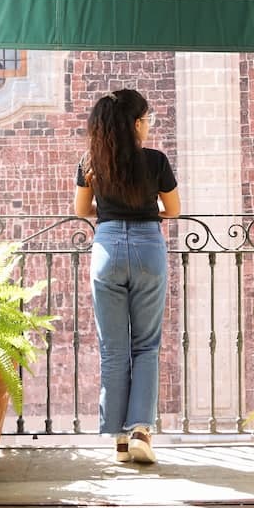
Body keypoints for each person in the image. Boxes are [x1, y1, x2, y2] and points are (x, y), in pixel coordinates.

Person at [74, 88, 181, 464]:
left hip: (107, 250)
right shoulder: (155, 160)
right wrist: (146, 213)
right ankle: (140, 431)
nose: (148, 126)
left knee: (114, 349)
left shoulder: (91, 161)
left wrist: (109, 212)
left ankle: (119, 440)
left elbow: (81, 210)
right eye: (147, 119)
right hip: (148, 248)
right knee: (146, 345)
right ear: (136, 123)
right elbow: (173, 210)